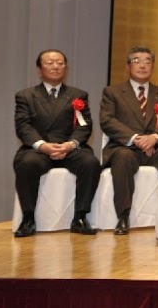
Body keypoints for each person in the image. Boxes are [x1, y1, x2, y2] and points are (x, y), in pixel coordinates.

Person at [12, 49, 102, 237]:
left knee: (90, 163)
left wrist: (70, 145)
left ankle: (80, 217)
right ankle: (28, 218)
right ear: (39, 70)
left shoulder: (78, 95)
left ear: (65, 68)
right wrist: (42, 145)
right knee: (27, 164)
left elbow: (85, 126)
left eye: (60, 63)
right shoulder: (25, 96)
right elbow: (23, 126)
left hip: (69, 148)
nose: (56, 67)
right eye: (50, 63)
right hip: (39, 149)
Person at [99, 46, 158, 235]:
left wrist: (154, 137)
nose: (142, 65)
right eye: (137, 61)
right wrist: (136, 139)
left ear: (152, 66)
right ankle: (123, 216)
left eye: (147, 61)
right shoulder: (113, 92)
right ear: (128, 66)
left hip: (155, 147)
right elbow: (107, 121)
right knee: (124, 158)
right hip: (124, 147)